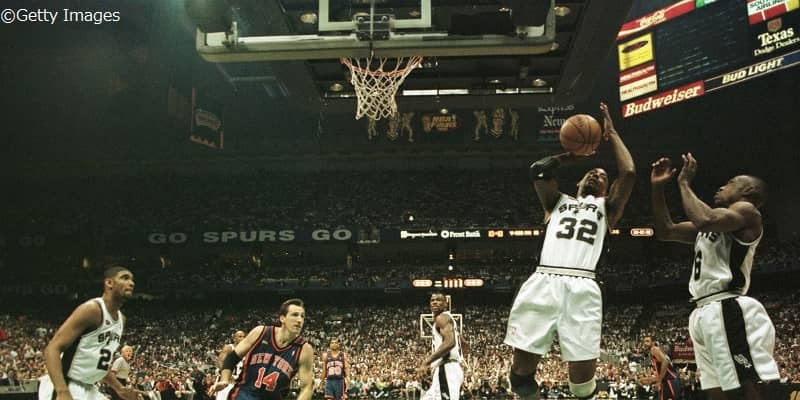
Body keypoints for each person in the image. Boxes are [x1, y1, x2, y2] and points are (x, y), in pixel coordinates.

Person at [504, 103, 636, 400]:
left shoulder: (608, 208)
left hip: (582, 285)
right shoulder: (556, 202)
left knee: (581, 386)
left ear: (607, 189)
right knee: (520, 376)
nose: (597, 175)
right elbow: (538, 170)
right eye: (591, 172)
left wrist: (612, 133)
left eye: (602, 176)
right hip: (544, 280)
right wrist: (569, 155)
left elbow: (628, 172)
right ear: (579, 180)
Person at [650, 153, 779, 400]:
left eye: (730, 183)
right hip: (703, 311)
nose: (721, 186)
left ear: (748, 191)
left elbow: (705, 218)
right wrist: (657, 188)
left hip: (727, 305)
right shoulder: (716, 224)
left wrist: (684, 183)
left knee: (744, 384)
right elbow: (666, 231)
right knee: (715, 388)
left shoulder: (747, 211)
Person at [39, 265, 138, 400]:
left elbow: (97, 364)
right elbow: (52, 349)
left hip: (90, 387)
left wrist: (119, 388)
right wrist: (62, 392)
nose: (131, 283)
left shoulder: (121, 320)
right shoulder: (92, 310)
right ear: (109, 283)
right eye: (125, 278)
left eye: (132, 279)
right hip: (66, 384)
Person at [209, 299, 314, 400]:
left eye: (302, 316)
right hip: (243, 395)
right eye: (295, 315)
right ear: (282, 318)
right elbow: (232, 358)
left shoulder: (304, 349)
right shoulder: (261, 332)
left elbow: (307, 387)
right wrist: (224, 379)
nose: (299, 320)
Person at [416, 293, 464, 400]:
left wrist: (426, 362)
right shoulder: (448, 321)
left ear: (446, 304)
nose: (434, 302)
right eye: (432, 300)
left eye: (438, 300)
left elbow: (450, 342)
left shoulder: (442, 318)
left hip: (447, 369)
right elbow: (464, 344)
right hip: (447, 369)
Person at [215, 330, 247, 400]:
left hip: (238, 381)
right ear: (234, 339)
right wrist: (227, 375)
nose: (243, 338)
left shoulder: (247, 350)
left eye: (244, 336)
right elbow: (220, 362)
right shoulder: (229, 348)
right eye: (240, 336)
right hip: (226, 380)